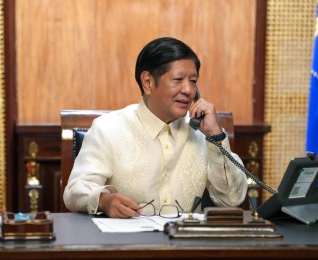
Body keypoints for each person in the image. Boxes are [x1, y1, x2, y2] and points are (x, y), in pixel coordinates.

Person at [63, 37, 247, 218]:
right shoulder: (108, 128)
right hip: (128, 243)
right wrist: (104, 200)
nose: (188, 90)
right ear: (148, 82)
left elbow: (231, 199)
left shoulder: (202, 133)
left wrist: (215, 136)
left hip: (187, 244)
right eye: (178, 79)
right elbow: (74, 191)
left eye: (193, 81)